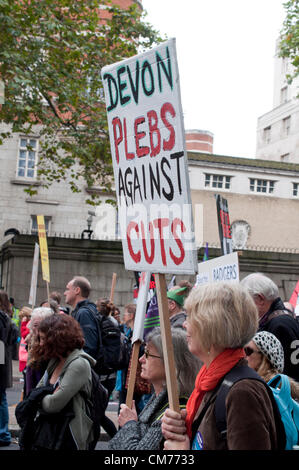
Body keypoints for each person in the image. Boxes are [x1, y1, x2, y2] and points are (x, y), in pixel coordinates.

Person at [161, 282, 283, 450]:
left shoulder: (242, 392)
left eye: (190, 317)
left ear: (211, 325)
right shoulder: (209, 379)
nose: (184, 324)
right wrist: (182, 428)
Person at [108, 327, 202, 450]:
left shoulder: (173, 413)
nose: (141, 359)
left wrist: (129, 424)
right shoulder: (160, 398)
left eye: (147, 353)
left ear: (172, 363)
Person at [18, 313, 96, 450]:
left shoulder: (79, 364)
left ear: (57, 339)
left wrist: (38, 398)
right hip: (48, 434)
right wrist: (43, 396)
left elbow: (53, 404)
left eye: (43, 338)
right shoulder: (55, 360)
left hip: (67, 436)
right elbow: (37, 391)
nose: (41, 343)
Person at [241, 273, 299, 381]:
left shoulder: (279, 325)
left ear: (260, 299)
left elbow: (289, 372)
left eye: (245, 302)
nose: (244, 308)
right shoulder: (279, 320)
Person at [245, 331, 299, 400]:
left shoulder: (267, 391)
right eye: (243, 350)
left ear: (264, 359)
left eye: (248, 351)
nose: (244, 355)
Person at [64, 276, 99, 360]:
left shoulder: (84, 314)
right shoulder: (81, 311)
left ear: (77, 290)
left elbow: (88, 347)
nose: (65, 293)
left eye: (68, 289)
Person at [0, 291, 19, 447]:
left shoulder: (1, 318)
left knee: (1, 400)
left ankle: (3, 434)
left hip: (0, 364)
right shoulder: (7, 318)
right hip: (3, 363)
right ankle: (3, 433)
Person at [25, 307, 54, 397]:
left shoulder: (51, 350)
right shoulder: (33, 344)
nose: (38, 330)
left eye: (42, 326)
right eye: (35, 325)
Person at [18, 306, 32, 396]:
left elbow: (24, 335)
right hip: (25, 356)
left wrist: (23, 324)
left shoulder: (28, 324)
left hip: (26, 357)